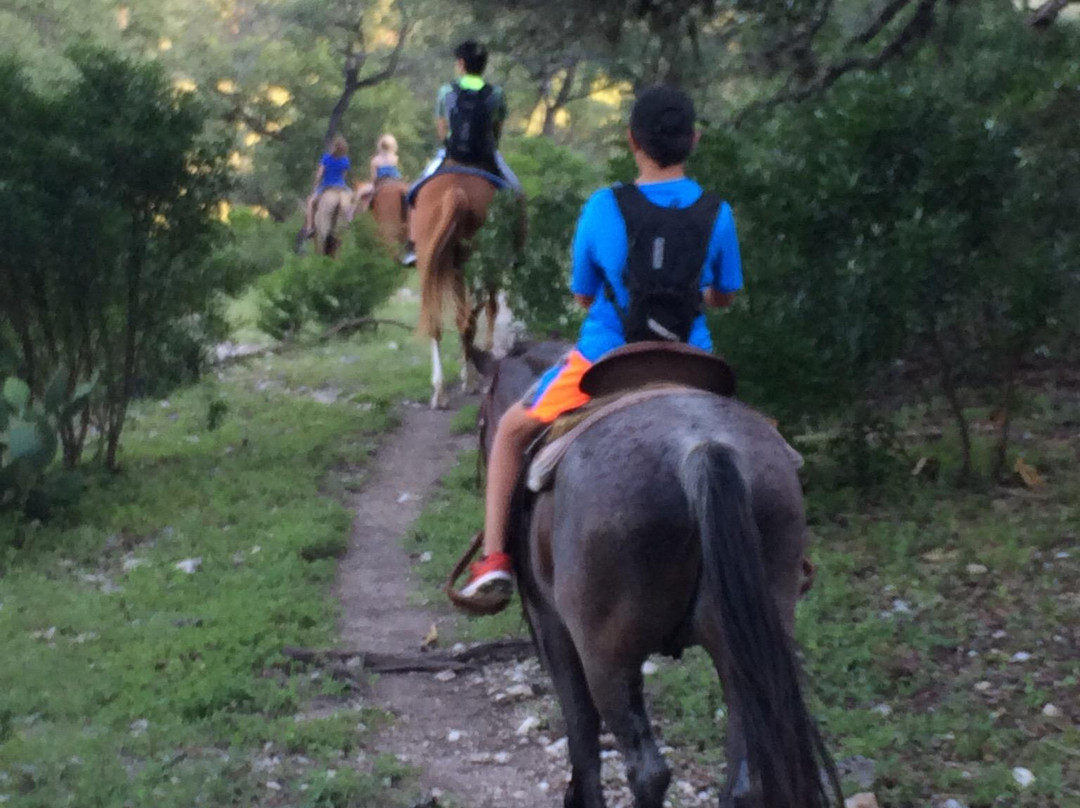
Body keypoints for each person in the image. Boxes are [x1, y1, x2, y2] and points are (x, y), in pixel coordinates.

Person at [454, 85, 744, 613]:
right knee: (763, 444)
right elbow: (723, 295)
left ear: (632, 140)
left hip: (605, 362)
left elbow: (584, 293)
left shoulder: (602, 206)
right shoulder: (717, 212)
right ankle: (788, 561)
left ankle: (493, 560)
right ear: (693, 141)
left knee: (512, 433)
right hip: (696, 367)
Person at [402, 40, 521, 266]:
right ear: (484, 65)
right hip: (486, 156)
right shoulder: (497, 93)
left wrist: (450, 144)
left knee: (414, 192)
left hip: (452, 154)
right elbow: (497, 130)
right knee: (517, 194)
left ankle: (413, 246)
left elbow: (441, 129)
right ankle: (514, 252)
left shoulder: (446, 91)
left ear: (461, 64)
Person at [304, 135, 352, 238]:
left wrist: (315, 186)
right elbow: (343, 176)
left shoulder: (326, 158)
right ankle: (350, 222)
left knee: (310, 202)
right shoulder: (345, 160)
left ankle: (309, 227)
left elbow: (319, 174)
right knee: (354, 200)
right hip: (341, 187)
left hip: (327, 186)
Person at [355, 133, 403, 212]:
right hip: (395, 180)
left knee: (361, 193)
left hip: (381, 181)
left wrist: (373, 183)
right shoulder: (395, 158)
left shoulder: (375, 160)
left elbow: (374, 177)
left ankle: (363, 212)